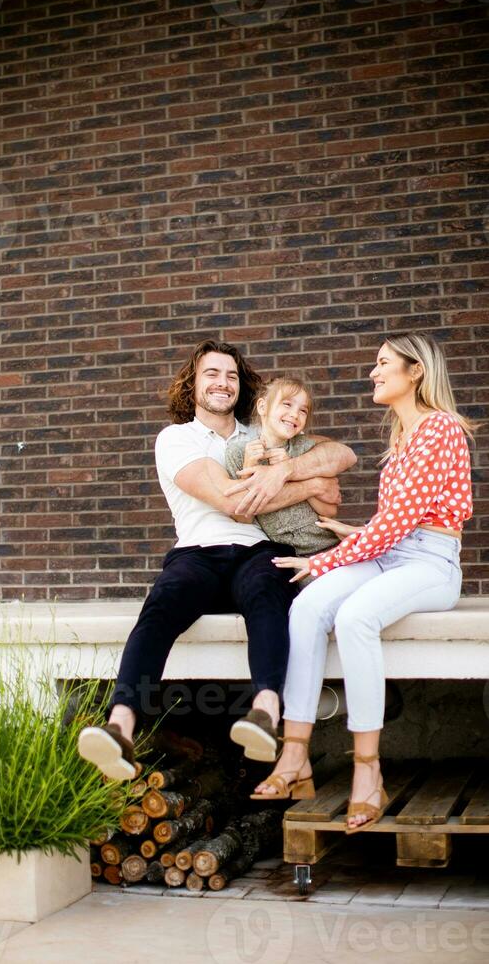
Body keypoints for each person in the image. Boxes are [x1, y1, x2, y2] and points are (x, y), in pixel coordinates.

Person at [77, 338, 356, 779]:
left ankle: (265, 714)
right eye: (212, 373)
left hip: (257, 551)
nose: (222, 383)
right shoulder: (176, 438)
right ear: (193, 384)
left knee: (269, 591)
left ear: (242, 388)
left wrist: (284, 469)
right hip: (197, 554)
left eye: (231, 375)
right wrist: (307, 485)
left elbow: (341, 456)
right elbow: (231, 501)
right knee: (162, 605)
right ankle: (120, 728)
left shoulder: (264, 431)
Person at [254, 333, 474, 834]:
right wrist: (357, 535)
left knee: (355, 618)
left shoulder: (438, 428)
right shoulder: (401, 433)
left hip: (432, 566)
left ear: (414, 371)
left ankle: (368, 772)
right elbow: (397, 521)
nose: (373, 373)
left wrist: (330, 558)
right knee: (306, 609)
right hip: (391, 554)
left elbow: (406, 524)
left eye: (382, 364)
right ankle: (295, 757)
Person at [224, 377, 340, 569]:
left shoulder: (305, 450)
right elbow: (243, 517)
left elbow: (330, 511)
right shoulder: (238, 452)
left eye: (303, 410)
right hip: (286, 555)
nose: (295, 414)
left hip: (327, 545)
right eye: (287, 404)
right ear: (262, 407)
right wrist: (248, 468)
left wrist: (292, 471)